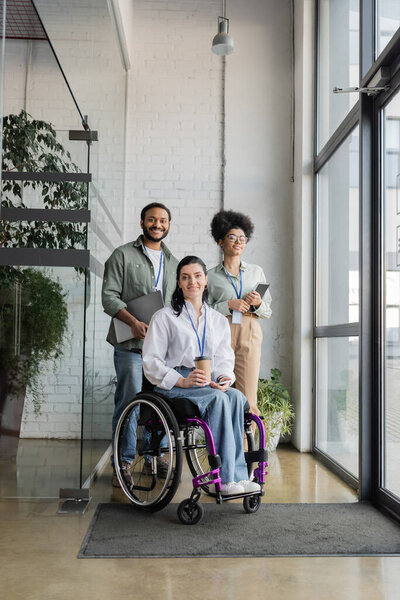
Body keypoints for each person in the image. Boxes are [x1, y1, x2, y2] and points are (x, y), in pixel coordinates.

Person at [142, 255, 260, 495]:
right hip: (175, 382)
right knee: (217, 400)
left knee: (235, 397)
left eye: (197, 276)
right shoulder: (164, 317)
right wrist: (182, 381)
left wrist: (224, 378)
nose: (192, 282)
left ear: (206, 280)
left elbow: (224, 357)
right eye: (185, 277)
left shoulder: (217, 319)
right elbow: (151, 361)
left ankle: (238, 475)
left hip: (207, 381)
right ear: (179, 283)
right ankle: (227, 479)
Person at [102, 202, 178, 487]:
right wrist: (133, 321)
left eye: (163, 220)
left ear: (169, 225)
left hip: (160, 351)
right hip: (130, 345)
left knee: (159, 404)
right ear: (142, 222)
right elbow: (109, 298)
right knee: (129, 403)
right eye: (152, 219)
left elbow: (176, 305)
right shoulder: (122, 255)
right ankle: (122, 462)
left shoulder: (173, 262)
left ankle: (152, 455)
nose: (157, 224)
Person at [207, 210, 272, 418]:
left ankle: (246, 450)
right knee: (220, 393)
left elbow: (267, 311)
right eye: (232, 237)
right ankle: (221, 447)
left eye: (242, 238)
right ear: (220, 242)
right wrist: (228, 305)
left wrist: (258, 303)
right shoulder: (209, 276)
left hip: (250, 331)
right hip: (221, 331)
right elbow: (203, 311)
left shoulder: (256, 272)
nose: (238, 242)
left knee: (248, 398)